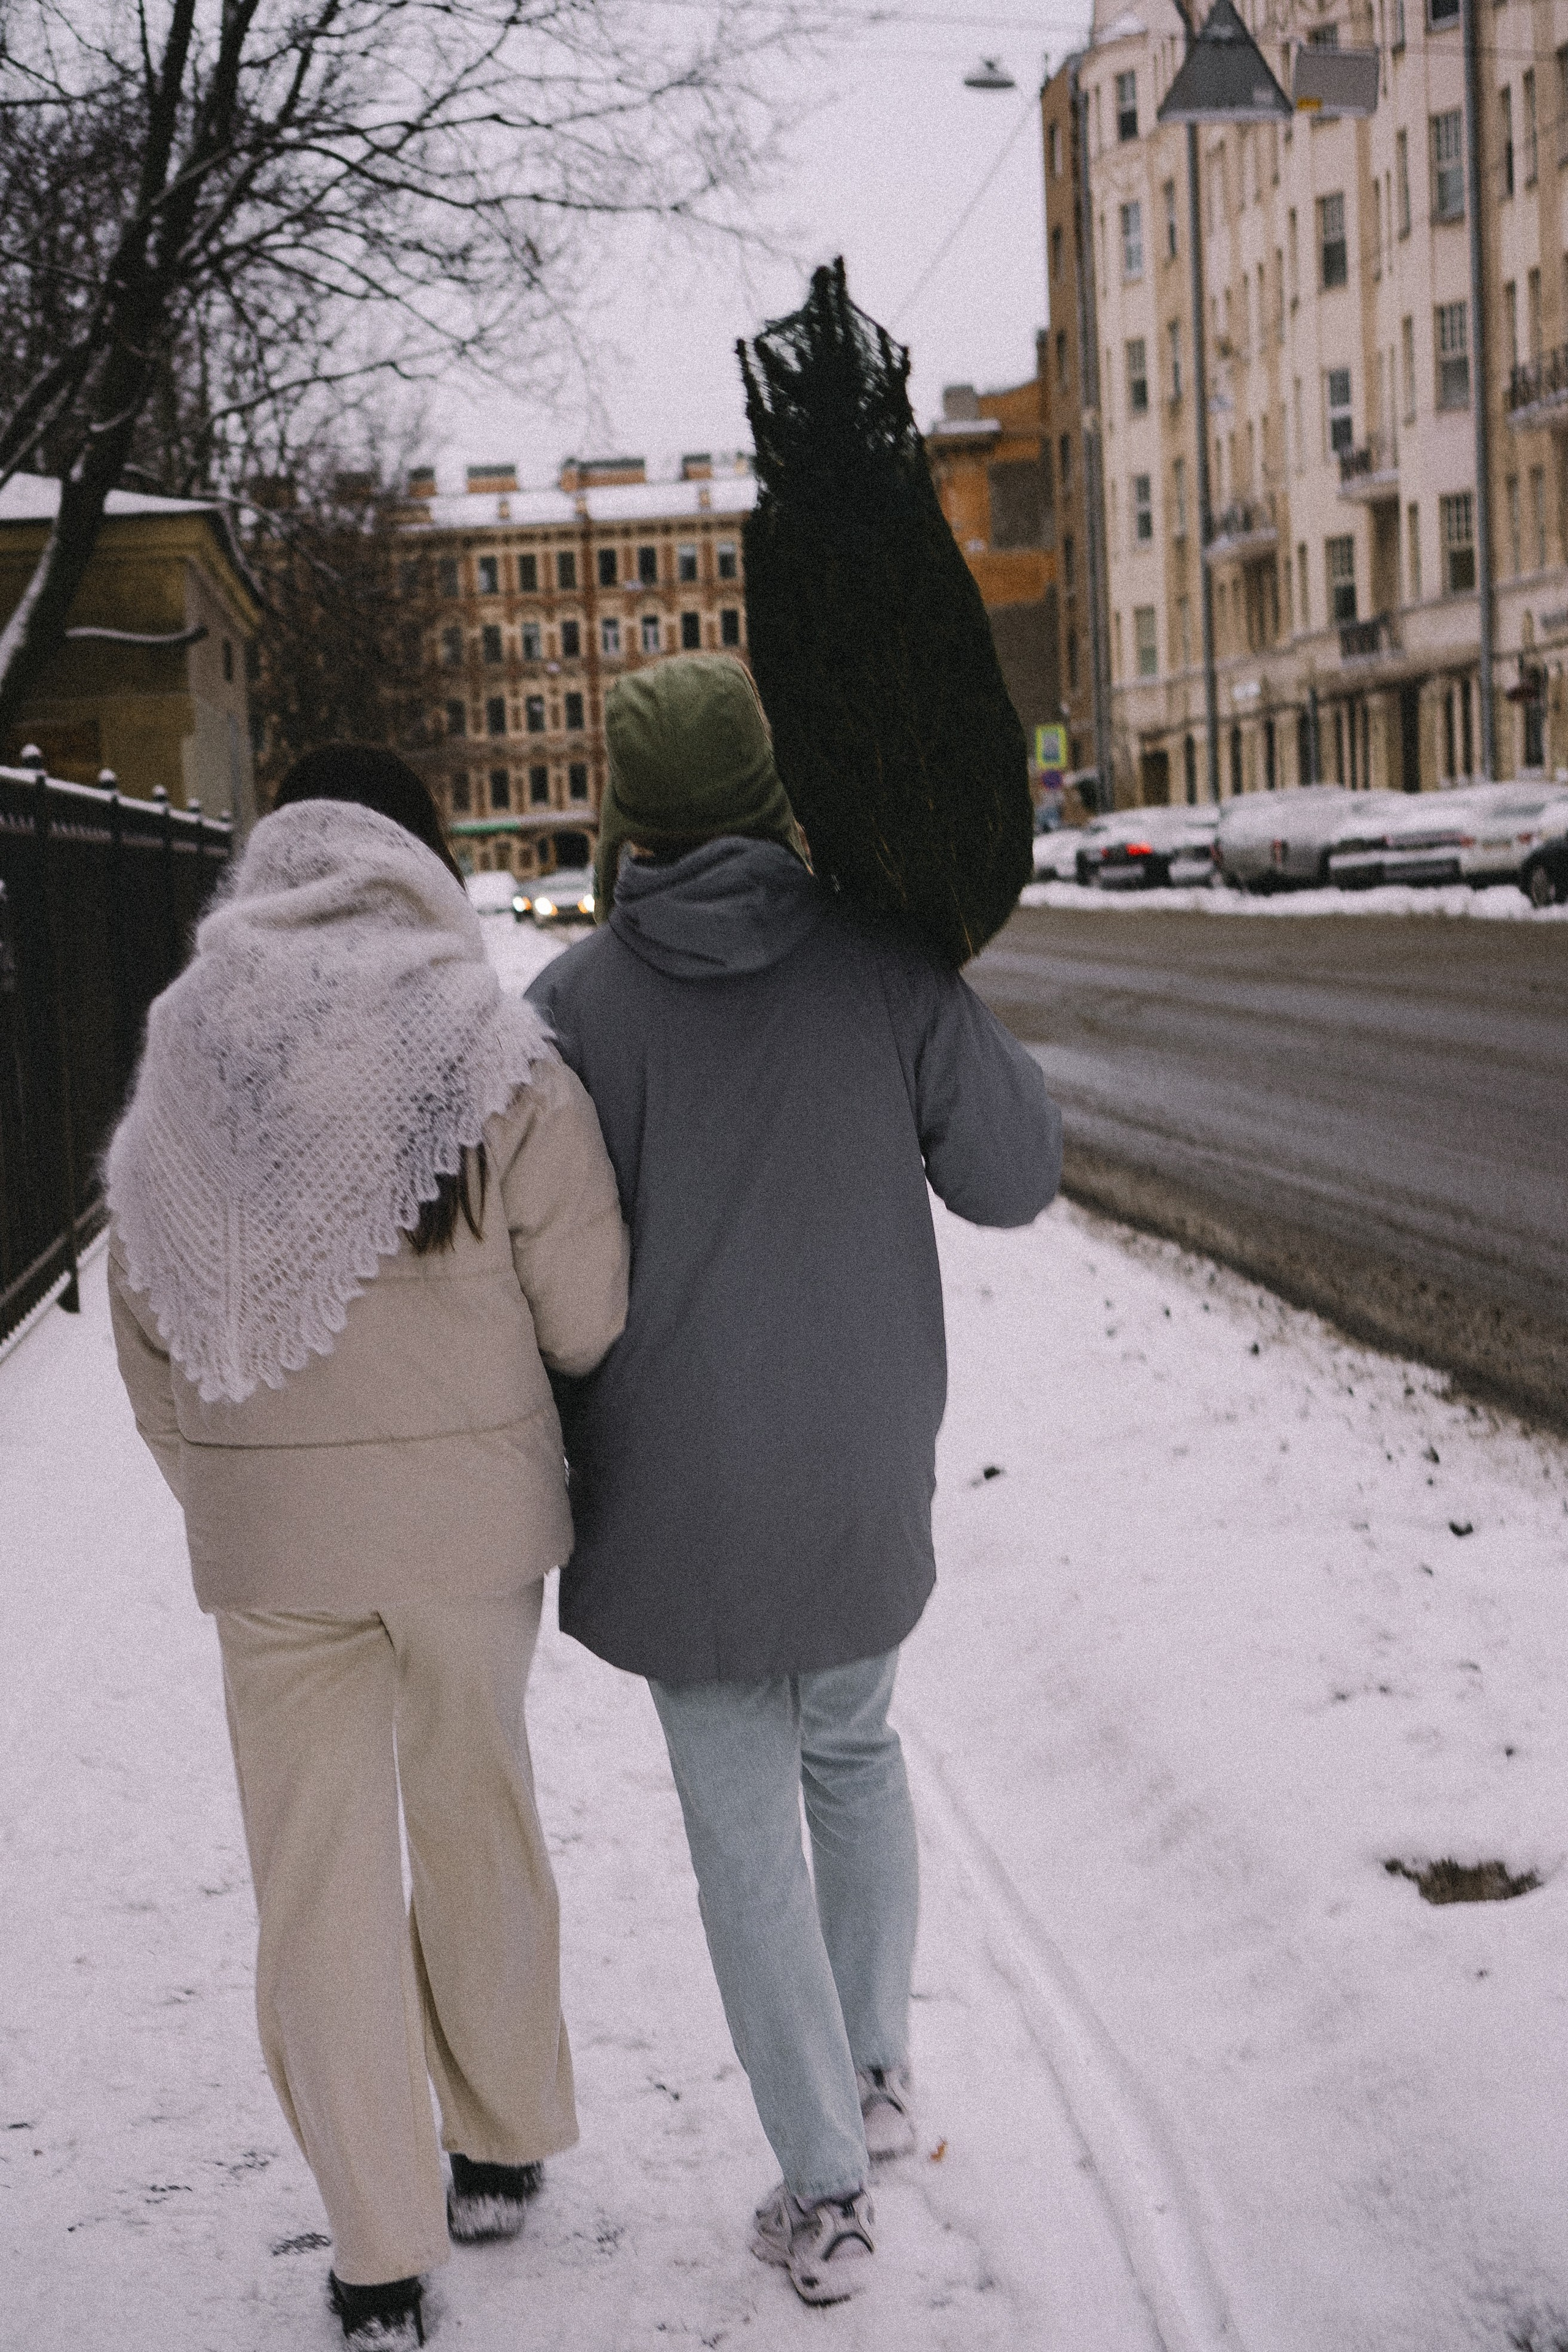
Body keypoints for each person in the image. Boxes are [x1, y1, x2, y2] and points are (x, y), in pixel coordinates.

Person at [527, 655, 1062, 2307]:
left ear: (625, 809)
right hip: (852, 1474)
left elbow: (531, 1276)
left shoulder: (573, 1010)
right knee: (856, 1749)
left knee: (744, 1834)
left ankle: (823, 2188)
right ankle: (879, 2070)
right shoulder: (886, 967)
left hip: (672, 1495)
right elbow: (1015, 1175)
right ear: (771, 782)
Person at [107, 746, 629, 2349]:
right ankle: (494, 2144)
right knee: (476, 1814)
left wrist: (216, 1482)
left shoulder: (193, 1044)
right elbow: (589, 1315)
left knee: (316, 1884)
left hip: (273, 1547)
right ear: (417, 857)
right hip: (472, 1536)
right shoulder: (493, 1050)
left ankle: (381, 2253)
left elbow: (148, 1306)